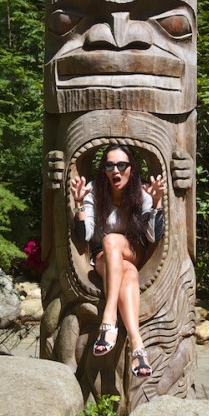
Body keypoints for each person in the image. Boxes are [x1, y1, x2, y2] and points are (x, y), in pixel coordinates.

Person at [70, 144, 165, 377]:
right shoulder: (94, 193)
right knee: (128, 272)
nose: (116, 170)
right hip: (106, 259)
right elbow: (86, 235)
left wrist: (157, 202)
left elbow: (153, 235)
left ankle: (109, 317)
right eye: (110, 165)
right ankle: (138, 347)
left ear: (131, 169)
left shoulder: (141, 195)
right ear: (103, 170)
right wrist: (79, 204)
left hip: (133, 251)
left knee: (112, 239)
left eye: (122, 165)